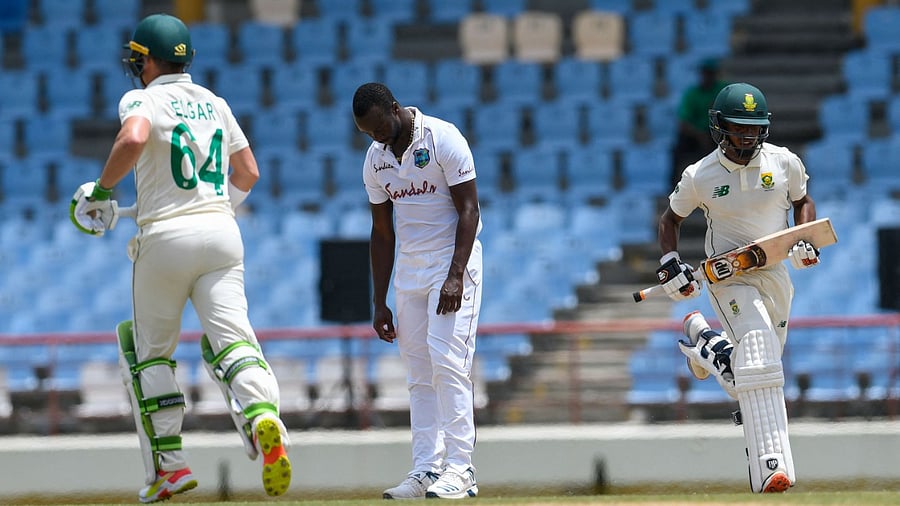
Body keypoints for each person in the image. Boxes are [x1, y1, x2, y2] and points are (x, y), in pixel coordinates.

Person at [68, 14, 291, 503]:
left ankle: (171, 467)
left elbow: (131, 139)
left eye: (138, 57)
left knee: (149, 353)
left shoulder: (142, 98)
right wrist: (214, 211)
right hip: (222, 234)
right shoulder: (215, 102)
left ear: (147, 60)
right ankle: (263, 417)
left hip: (165, 240)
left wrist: (104, 190)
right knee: (234, 341)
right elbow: (248, 171)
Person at [656, 82, 821, 494]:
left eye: (754, 128)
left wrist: (805, 237)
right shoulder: (700, 175)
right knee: (759, 353)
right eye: (739, 128)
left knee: (751, 372)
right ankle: (769, 470)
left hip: (775, 272)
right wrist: (669, 261)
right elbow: (669, 220)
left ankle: (707, 347)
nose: (747, 136)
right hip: (727, 275)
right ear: (720, 127)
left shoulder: (784, 163)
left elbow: (803, 200)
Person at [352, 82, 483, 500]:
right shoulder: (375, 160)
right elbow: (382, 233)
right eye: (368, 133)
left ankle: (461, 468)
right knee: (418, 375)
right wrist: (379, 301)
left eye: (380, 128)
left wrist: (456, 274)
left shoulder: (442, 137)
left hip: (451, 260)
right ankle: (426, 468)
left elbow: (469, 209)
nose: (377, 138)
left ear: (395, 108)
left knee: (447, 362)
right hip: (409, 269)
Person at [670, 58, 730, 189]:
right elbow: (683, 122)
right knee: (677, 150)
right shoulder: (692, 94)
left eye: (710, 73)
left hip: (719, 131)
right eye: (705, 73)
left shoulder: (723, 90)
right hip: (696, 133)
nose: (707, 77)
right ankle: (674, 186)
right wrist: (700, 135)